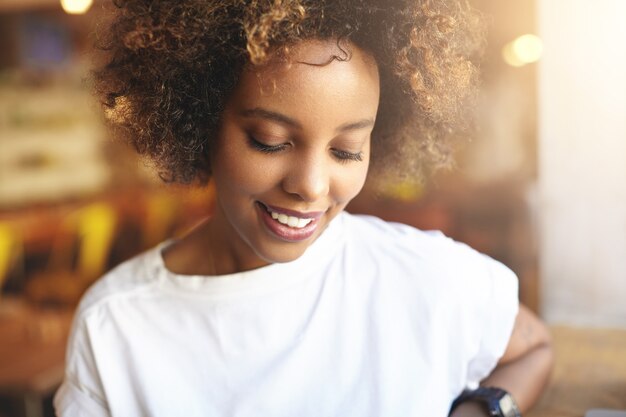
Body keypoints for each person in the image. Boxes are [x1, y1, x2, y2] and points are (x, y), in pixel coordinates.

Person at [54, 1, 553, 416]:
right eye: (269, 142)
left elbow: (534, 348)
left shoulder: (426, 277)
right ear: (201, 120)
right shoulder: (116, 328)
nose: (312, 186)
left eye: (346, 150)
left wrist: (483, 410)